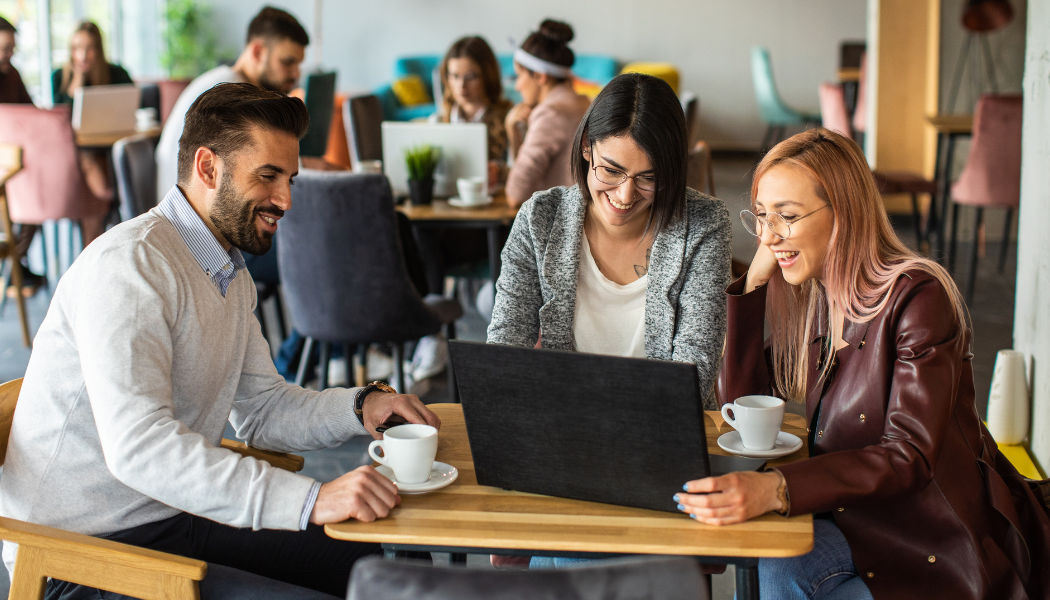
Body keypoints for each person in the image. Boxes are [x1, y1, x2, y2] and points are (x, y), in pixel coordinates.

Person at [0, 83, 442, 599]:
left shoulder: (226, 272)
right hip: (80, 558)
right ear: (209, 168)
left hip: (168, 515)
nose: (287, 200)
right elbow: (140, 450)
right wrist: (310, 500)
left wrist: (362, 406)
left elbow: (262, 409)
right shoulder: (130, 267)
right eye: (268, 177)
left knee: (377, 561)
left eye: (291, 178)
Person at [675, 128, 1050, 600]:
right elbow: (745, 409)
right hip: (853, 518)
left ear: (845, 214)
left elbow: (908, 454)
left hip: (925, 540)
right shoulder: (817, 298)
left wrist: (776, 488)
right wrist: (750, 289)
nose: (769, 238)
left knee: (776, 567)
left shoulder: (918, 297)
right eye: (763, 218)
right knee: (770, 562)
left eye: (787, 218)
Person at [156, 5, 308, 200]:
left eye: (298, 65)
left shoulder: (228, 83)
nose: (296, 74)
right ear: (258, 52)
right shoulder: (230, 95)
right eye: (287, 62)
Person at [504, 19, 591, 208]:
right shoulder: (585, 103)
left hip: (559, 221)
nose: (517, 86)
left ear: (540, 76)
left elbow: (515, 195)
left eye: (519, 76)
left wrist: (511, 129)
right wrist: (514, 130)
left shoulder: (550, 114)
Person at [432, 35, 513, 185]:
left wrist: (499, 171)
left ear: (488, 76)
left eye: (471, 77)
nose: (461, 85)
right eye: (454, 76)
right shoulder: (438, 121)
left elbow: (521, 171)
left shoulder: (509, 118)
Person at [51, 21, 132, 105]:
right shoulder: (58, 77)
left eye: (89, 48)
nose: (83, 56)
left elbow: (135, 104)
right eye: (77, 47)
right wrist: (77, 81)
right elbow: (62, 114)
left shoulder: (118, 74)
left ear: (98, 50)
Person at [0, 16, 32, 104]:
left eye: (12, 48)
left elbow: (29, 110)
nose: (11, 54)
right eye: (6, 49)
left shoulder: (12, 74)